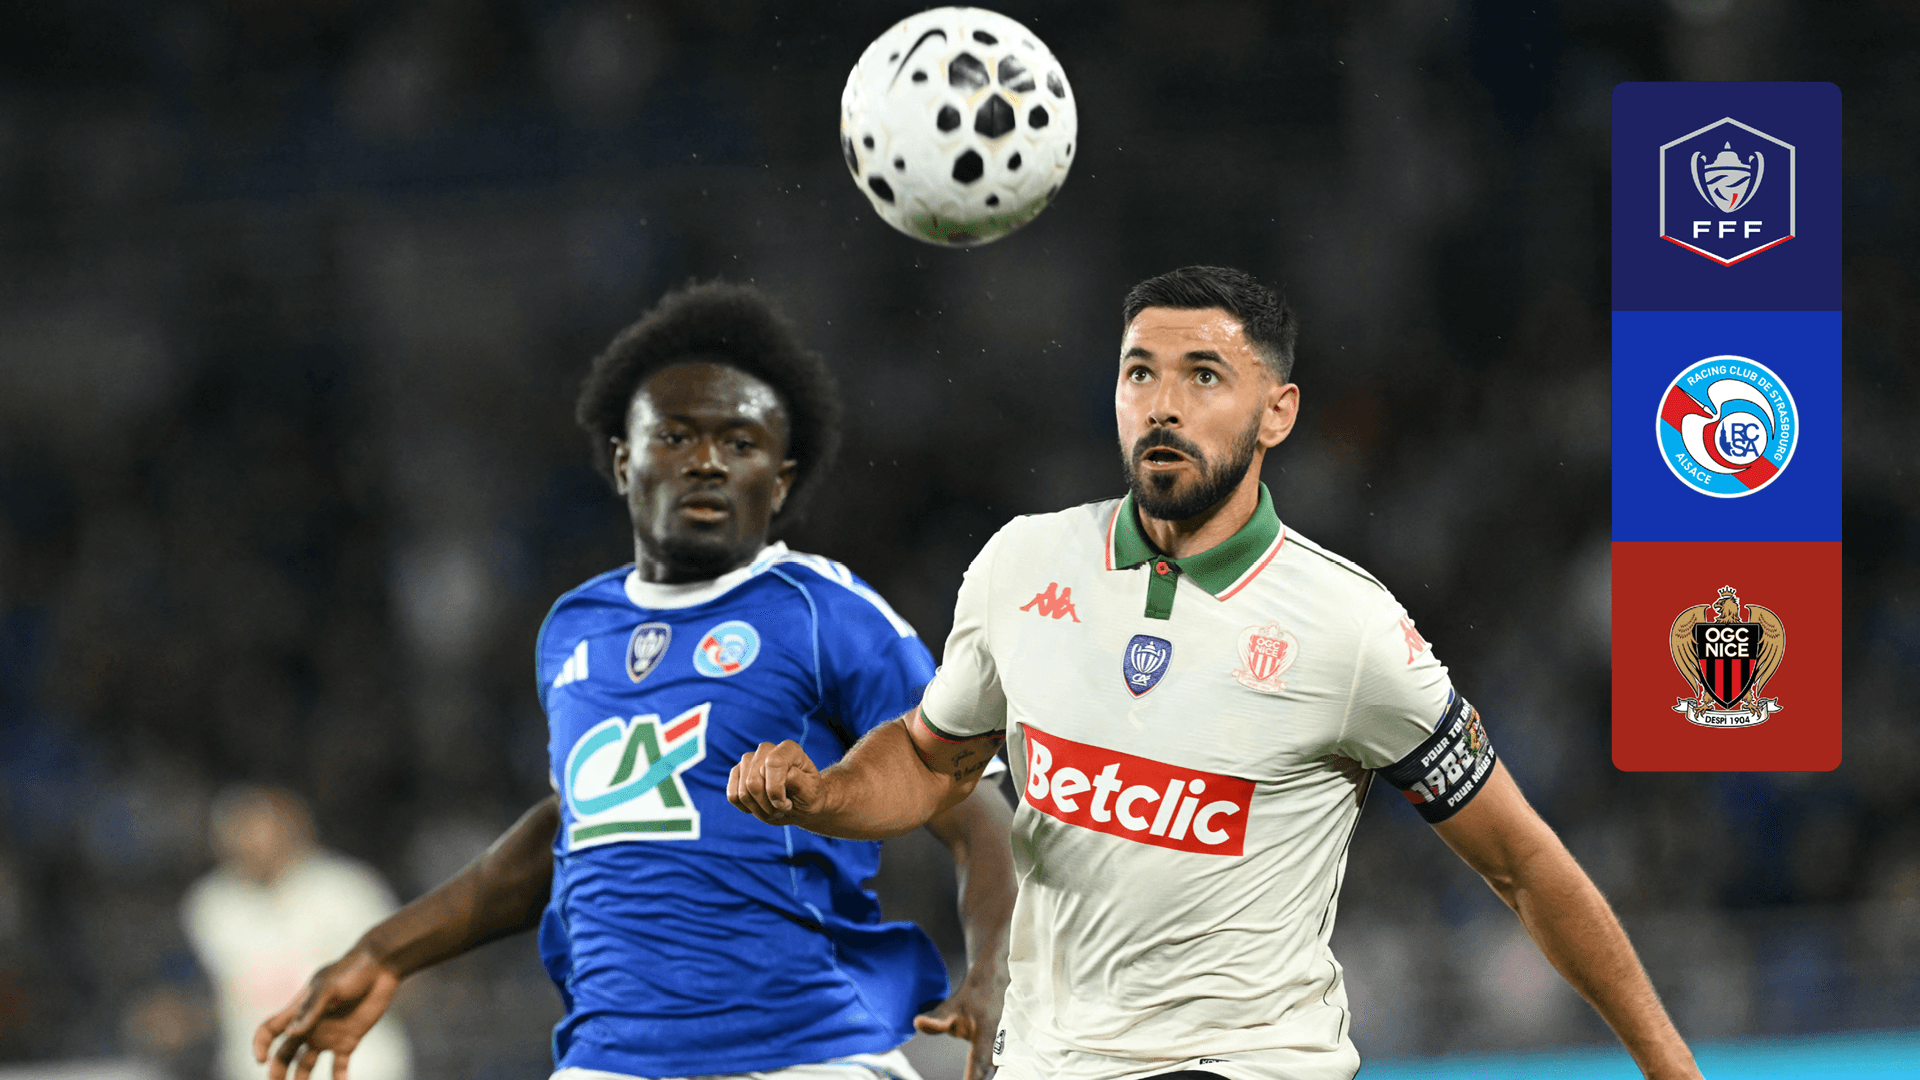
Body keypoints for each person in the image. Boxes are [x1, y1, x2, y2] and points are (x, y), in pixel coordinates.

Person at [727, 266, 1704, 1080]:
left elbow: (1523, 863)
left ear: (1278, 413)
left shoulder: (1350, 629)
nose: (1163, 404)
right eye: (1139, 374)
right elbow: (934, 759)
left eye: (1204, 376)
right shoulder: (1022, 566)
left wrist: (1670, 1069)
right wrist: (825, 794)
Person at [256, 283, 1016, 1080]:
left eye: (741, 442)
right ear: (624, 460)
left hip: (802, 1052)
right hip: (611, 1060)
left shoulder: (823, 610)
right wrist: (386, 951)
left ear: (781, 482)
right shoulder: (573, 627)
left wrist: (999, 968)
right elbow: (577, 824)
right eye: (676, 435)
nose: (707, 462)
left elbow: (974, 804)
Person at [185, 785, 412, 1080]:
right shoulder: (210, 904)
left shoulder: (347, 887)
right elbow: (222, 995)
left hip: (358, 1066)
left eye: (261, 828)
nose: (252, 842)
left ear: (295, 828)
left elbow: (404, 975)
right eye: (239, 831)